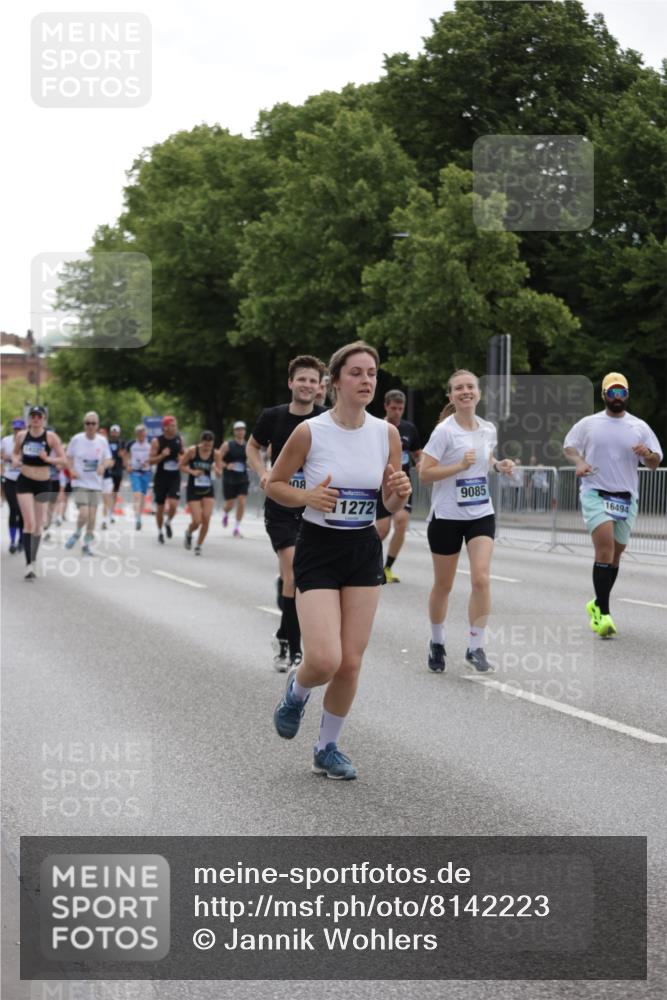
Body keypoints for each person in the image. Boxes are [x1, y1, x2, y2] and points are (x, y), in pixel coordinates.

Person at [269, 341, 411, 780]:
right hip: (318, 546)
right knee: (325, 659)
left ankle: (327, 748)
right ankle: (297, 691)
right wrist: (308, 496)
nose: (367, 380)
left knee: (351, 661)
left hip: (362, 548)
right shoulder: (311, 432)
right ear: (336, 381)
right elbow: (274, 484)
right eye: (357, 373)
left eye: (372, 373)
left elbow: (385, 501)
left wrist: (399, 492)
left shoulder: (385, 433)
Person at [418, 369, 515, 674]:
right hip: (447, 516)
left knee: (481, 579)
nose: (465, 392)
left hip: (480, 513)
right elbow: (424, 474)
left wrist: (500, 465)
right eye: (458, 388)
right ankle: (436, 641)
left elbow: (485, 463)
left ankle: (476, 646)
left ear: (478, 392)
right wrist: (458, 466)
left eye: (470, 387)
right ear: (451, 396)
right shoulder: (444, 432)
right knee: (443, 586)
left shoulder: (488, 429)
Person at [563, 372, 662, 638]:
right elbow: (569, 447)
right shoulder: (589, 423)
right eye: (612, 392)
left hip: (626, 497)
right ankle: (604, 613)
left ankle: (596, 603)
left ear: (627, 395)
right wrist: (580, 463)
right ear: (604, 395)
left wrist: (648, 454)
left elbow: (655, 463)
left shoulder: (639, 426)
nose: (617, 397)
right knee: (605, 548)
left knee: (615, 556)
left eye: (622, 393)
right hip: (596, 491)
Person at [247, 356, 327, 671]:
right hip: (281, 508)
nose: (308, 385)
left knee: (301, 577)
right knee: (294, 572)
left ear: (319, 387)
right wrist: (263, 472)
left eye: (313, 381)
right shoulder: (273, 417)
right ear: (291, 382)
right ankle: (294, 651)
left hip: (313, 509)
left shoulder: (326, 419)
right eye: (302, 379)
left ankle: (283, 633)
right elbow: (253, 447)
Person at [13, 405, 66, 578]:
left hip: (43, 483)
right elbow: (15, 454)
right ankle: (29, 564)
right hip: (25, 480)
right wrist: (15, 461)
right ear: (29, 419)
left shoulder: (51, 437)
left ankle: (33, 560)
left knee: (38, 525)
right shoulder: (22, 436)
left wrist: (48, 459)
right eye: (33, 416)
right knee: (28, 523)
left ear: (44, 419)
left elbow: (63, 459)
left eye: (39, 416)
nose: (36, 419)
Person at [375, 389, 422, 582]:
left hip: (401, 484)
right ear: (386, 407)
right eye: (393, 408)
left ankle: (387, 568)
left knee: (401, 523)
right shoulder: (377, 427)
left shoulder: (409, 429)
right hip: (380, 485)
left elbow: (418, 453)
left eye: (400, 408)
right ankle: (369, 562)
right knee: (383, 529)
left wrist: (420, 462)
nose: (397, 412)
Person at [64, 412, 113, 556]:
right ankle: (78, 532)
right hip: (80, 482)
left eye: (93, 423)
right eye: (88, 423)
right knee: (84, 513)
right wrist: (71, 470)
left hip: (96, 484)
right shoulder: (77, 439)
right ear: (84, 424)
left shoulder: (102, 441)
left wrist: (103, 466)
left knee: (92, 517)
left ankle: (86, 545)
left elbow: (109, 459)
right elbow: (68, 457)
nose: (90, 426)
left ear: (97, 425)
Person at [182, 430, 222, 555]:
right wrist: (193, 472)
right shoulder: (192, 451)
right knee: (197, 521)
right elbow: (181, 465)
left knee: (206, 518)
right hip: (193, 489)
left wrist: (216, 469)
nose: (207, 448)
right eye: (205, 445)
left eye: (209, 446)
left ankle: (199, 545)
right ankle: (189, 532)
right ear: (201, 443)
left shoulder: (216, 454)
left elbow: (219, 474)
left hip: (207, 489)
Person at [150, 415, 184, 543]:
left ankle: (168, 522)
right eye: (172, 426)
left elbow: (183, 455)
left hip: (174, 476)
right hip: (161, 477)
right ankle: (159, 532)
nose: (175, 428)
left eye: (175, 425)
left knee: (174, 504)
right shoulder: (157, 441)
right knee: (160, 507)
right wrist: (162, 456)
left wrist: (181, 459)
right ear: (165, 427)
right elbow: (151, 460)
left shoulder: (179, 439)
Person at [221, 421, 250, 537]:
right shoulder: (227, 445)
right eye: (238, 429)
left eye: (242, 429)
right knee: (230, 504)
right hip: (229, 478)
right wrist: (226, 465)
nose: (240, 431)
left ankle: (236, 528)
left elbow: (252, 461)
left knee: (242, 501)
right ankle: (225, 513)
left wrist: (250, 464)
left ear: (245, 431)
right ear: (234, 432)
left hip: (243, 478)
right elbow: (218, 459)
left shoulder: (248, 446)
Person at [1, 418, 26, 553]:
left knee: (22, 511)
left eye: (20, 429)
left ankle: (21, 540)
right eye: (15, 429)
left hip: (23, 479)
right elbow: (1, 454)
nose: (17, 432)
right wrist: (4, 457)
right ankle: (12, 541)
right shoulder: (6, 440)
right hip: (10, 478)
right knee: (13, 509)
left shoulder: (28, 440)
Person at [125, 424, 152, 530]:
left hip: (146, 472)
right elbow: (125, 455)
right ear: (136, 433)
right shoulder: (131, 444)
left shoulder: (149, 444)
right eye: (139, 432)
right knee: (137, 494)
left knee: (143, 496)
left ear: (145, 433)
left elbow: (153, 456)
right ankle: (137, 518)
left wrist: (149, 462)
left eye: (143, 432)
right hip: (135, 471)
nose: (141, 434)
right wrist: (128, 465)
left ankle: (139, 516)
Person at [101, 424, 126, 529]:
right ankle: (105, 515)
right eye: (113, 431)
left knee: (114, 493)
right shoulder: (106, 442)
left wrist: (123, 457)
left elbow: (124, 456)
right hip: (108, 470)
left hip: (118, 470)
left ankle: (111, 511)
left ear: (119, 432)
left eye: (116, 431)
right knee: (108, 493)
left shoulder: (122, 443)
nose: (114, 433)